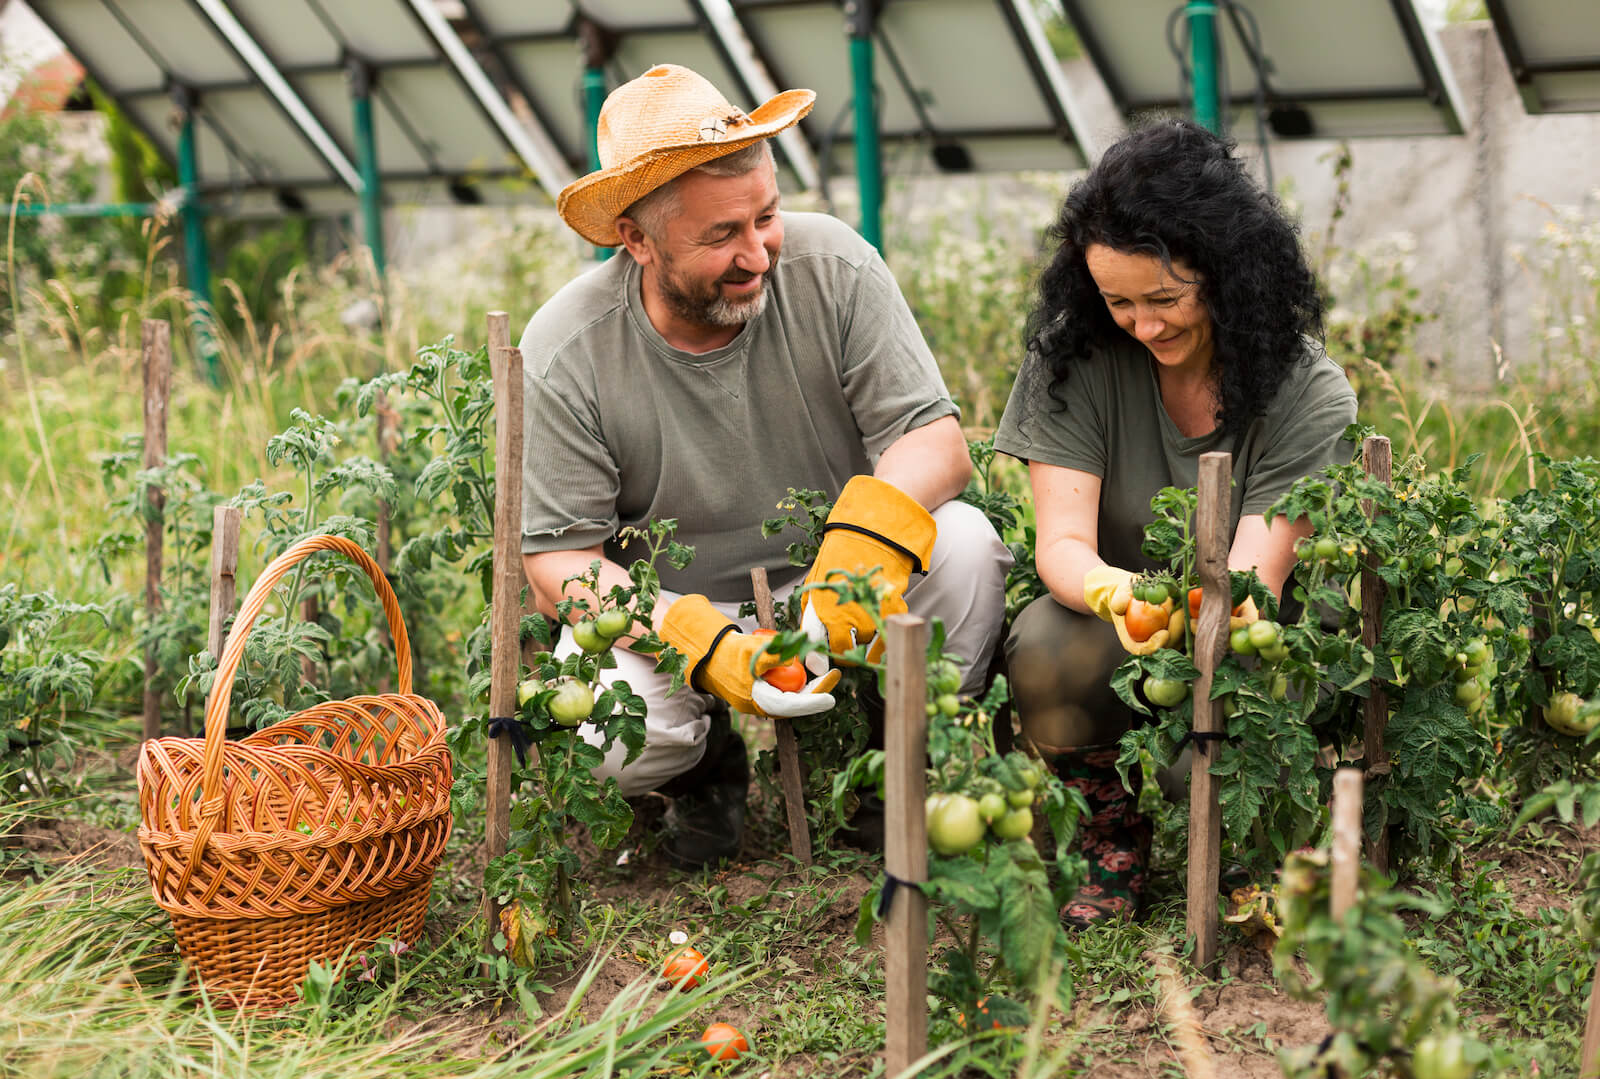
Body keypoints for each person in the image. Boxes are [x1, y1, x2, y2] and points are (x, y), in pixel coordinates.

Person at [518, 64, 1012, 870]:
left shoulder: (833, 267)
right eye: (721, 237)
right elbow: (557, 565)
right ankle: (703, 765)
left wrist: (859, 551)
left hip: (833, 574)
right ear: (636, 241)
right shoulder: (568, 348)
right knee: (600, 729)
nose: (758, 254)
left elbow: (934, 443)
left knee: (962, 544)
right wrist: (702, 643)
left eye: (768, 217)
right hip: (673, 607)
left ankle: (899, 762)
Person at [992, 118, 1358, 927]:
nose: (1143, 324)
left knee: (1268, 660)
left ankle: (1253, 831)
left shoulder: (1305, 391)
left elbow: (1256, 577)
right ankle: (1108, 840)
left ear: (1226, 275)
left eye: (1164, 298)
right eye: (1117, 301)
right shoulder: (1073, 362)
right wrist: (1121, 594)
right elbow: (1062, 547)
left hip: (1264, 623)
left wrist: (1189, 611)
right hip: (1125, 621)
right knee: (1050, 640)